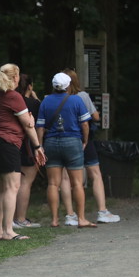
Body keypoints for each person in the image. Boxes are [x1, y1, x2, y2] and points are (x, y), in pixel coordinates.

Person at [0, 63, 47, 241]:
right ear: (15, 77)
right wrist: (37, 146)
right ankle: (9, 231)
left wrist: (28, 121)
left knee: (0, 189)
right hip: (6, 142)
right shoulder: (13, 96)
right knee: (12, 187)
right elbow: (27, 124)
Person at [36, 72, 96, 228]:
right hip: (72, 142)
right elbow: (85, 124)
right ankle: (81, 219)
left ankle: (54, 220)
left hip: (51, 143)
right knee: (77, 183)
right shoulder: (76, 100)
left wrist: (40, 145)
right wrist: (85, 140)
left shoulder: (46, 101)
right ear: (68, 85)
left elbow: (40, 127)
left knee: (53, 184)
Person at [61, 68, 120, 224]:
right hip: (83, 139)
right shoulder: (82, 96)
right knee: (95, 174)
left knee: (66, 178)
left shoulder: (55, 99)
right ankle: (102, 211)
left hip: (63, 139)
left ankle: (70, 215)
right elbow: (95, 116)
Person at [13, 73, 42, 229]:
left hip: (12, 143)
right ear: (30, 86)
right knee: (25, 182)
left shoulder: (11, 101)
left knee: (11, 184)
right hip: (29, 145)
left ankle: (9, 219)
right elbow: (40, 122)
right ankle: (20, 218)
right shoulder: (34, 103)